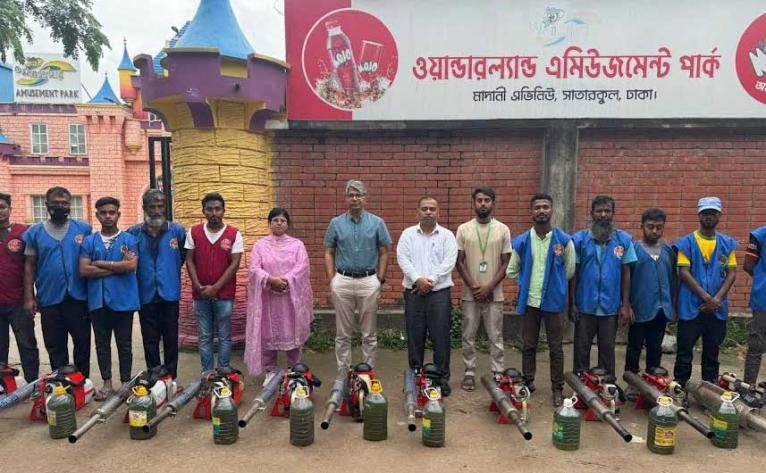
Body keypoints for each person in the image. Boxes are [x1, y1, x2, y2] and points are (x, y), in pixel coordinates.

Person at [507, 193, 575, 407]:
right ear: (531, 212)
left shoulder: (564, 241)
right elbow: (511, 269)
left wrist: (555, 285)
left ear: (551, 210)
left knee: (556, 346)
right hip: (530, 302)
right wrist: (525, 281)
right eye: (537, 207)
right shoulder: (522, 241)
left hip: (553, 302)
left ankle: (557, 388)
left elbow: (569, 269)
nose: (542, 211)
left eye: (545, 207)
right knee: (528, 344)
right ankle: (528, 382)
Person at [23, 186, 92, 377]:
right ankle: (60, 381)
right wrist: (29, 297)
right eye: (56, 203)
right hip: (49, 298)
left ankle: (82, 381)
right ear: (47, 205)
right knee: (55, 344)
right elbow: (29, 266)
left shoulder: (83, 229)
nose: (61, 206)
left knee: (82, 342)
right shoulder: (34, 232)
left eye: (64, 203)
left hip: (78, 297)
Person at [324, 180, 391, 371]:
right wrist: (332, 279)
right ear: (346, 198)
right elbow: (329, 251)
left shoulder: (377, 223)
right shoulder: (335, 223)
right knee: (342, 333)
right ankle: (343, 371)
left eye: (358, 195)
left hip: (368, 281)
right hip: (343, 281)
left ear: (365, 198)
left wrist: (380, 278)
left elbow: (384, 251)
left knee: (369, 333)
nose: (355, 199)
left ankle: (367, 371)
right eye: (351, 195)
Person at [570, 195, 637, 378]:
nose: (603, 215)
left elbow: (626, 273)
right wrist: (573, 303)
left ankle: (608, 387)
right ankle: (581, 385)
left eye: (607, 211)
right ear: (592, 213)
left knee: (607, 349)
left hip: (610, 306)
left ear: (613, 214)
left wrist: (625, 304)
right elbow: (573, 273)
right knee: (581, 348)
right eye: (599, 211)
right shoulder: (579, 240)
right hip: (585, 305)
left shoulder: (623, 240)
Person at [79, 197, 139, 400]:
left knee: (124, 344)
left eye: (111, 212)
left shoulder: (129, 239)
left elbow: (131, 266)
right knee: (102, 344)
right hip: (98, 301)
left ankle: (125, 382)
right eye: (103, 212)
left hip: (123, 301)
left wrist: (102, 263)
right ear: (97, 215)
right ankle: (106, 383)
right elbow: (84, 269)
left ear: (118, 215)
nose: (107, 216)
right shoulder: (90, 241)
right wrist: (117, 268)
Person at [397, 196, 458, 395]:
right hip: (414, 292)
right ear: (418, 212)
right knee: (415, 336)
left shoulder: (447, 236)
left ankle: (441, 378)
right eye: (425, 209)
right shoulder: (408, 235)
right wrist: (418, 280)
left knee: (441, 336)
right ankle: (416, 376)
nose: (429, 212)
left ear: (438, 212)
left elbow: (449, 261)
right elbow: (403, 259)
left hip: (439, 293)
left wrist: (429, 281)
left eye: (432, 208)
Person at [245, 208, 313, 385]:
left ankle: (294, 370)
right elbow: (254, 269)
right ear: (269, 223)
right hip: (268, 297)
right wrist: (270, 280)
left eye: (283, 220)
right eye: (275, 220)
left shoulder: (297, 245)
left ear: (288, 224)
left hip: (291, 297)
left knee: (293, 331)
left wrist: (286, 280)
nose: (279, 223)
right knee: (268, 334)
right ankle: (270, 370)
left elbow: (302, 267)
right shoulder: (260, 245)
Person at [674, 197, 737, 386]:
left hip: (717, 309)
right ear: (699, 215)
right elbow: (683, 272)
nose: (708, 216)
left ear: (719, 215)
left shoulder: (727, 244)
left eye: (713, 213)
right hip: (691, 307)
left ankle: (709, 388)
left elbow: (731, 273)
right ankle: (681, 387)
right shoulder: (686, 243)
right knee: (685, 351)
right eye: (705, 213)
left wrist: (717, 299)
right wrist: (707, 298)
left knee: (712, 351)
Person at [456, 187, 512, 392]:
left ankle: (498, 373)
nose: (483, 204)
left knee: (495, 336)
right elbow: (459, 261)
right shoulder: (463, 229)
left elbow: (506, 263)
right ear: (473, 203)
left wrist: (488, 287)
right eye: (479, 200)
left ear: (493, 203)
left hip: (494, 294)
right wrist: (473, 286)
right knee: (468, 335)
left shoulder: (502, 229)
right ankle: (469, 372)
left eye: (487, 200)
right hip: (470, 294)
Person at [127, 189, 186, 379]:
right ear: (145, 208)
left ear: (165, 207)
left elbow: (183, 257)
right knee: (149, 338)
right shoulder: (133, 233)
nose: (157, 210)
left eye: (160, 206)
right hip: (145, 294)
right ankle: (154, 374)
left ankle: (171, 376)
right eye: (152, 206)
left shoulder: (177, 231)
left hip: (169, 292)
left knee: (170, 337)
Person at [185, 193, 243, 371]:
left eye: (217, 209)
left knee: (225, 336)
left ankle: (223, 371)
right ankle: (207, 373)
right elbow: (189, 260)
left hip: (224, 295)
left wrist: (216, 288)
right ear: (203, 211)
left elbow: (235, 264)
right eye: (209, 209)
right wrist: (197, 286)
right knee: (204, 336)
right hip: (200, 293)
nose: (214, 213)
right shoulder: (194, 232)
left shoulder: (234, 234)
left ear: (223, 211)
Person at [624, 208, 676, 380]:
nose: (654, 231)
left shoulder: (668, 251)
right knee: (634, 346)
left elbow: (673, 279)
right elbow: (626, 278)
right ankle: (631, 380)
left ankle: (652, 380)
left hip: (661, 309)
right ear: (642, 226)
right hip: (639, 308)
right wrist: (626, 305)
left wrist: (672, 305)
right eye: (650, 226)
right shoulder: (634, 249)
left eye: (659, 227)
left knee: (655, 346)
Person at [0, 192, 39, 384]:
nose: (0, 212)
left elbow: (31, 267)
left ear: (10, 209)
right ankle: (3, 385)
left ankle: (32, 384)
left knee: (26, 344)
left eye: (2, 207)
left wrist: (30, 298)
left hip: (18, 301)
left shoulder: (23, 232)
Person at [744, 223, 766, 384]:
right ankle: (749, 388)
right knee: (756, 345)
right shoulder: (759, 235)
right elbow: (748, 265)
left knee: (756, 345)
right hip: (763, 298)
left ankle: (748, 389)